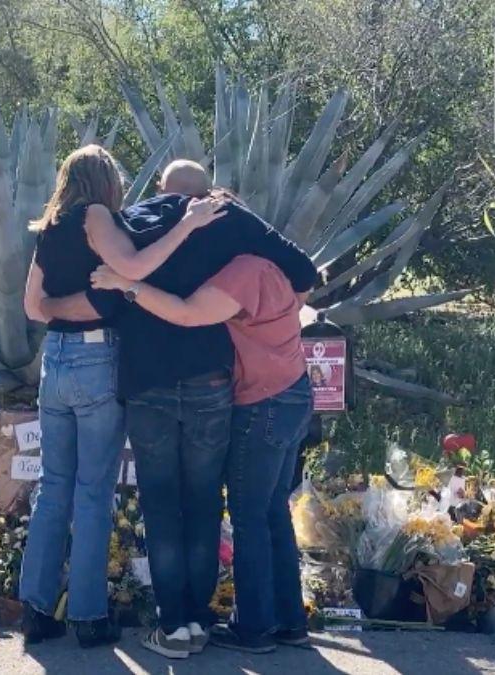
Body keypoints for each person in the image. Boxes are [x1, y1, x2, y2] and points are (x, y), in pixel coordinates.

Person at [41, 160, 317, 659]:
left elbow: (101, 296)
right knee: (206, 501)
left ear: (159, 190)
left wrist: (49, 309)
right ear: (207, 193)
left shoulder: (128, 226)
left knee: (162, 504)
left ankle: (176, 624)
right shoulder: (230, 223)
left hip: (148, 384)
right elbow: (300, 272)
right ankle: (204, 615)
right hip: (213, 384)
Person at [20, 146, 224, 649]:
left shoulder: (50, 226)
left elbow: (34, 306)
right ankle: (87, 616)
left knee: (53, 486)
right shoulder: (95, 215)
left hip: (56, 361)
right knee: (92, 490)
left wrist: (61, 306)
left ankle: (35, 608)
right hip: (95, 361)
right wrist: (187, 224)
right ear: (104, 180)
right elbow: (133, 266)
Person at [92, 248, 314, 653]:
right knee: (272, 510)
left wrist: (127, 283)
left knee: (248, 516)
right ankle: (289, 622)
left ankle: (255, 628)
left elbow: (187, 313)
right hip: (293, 390)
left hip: (261, 402)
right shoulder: (273, 267)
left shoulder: (242, 272)